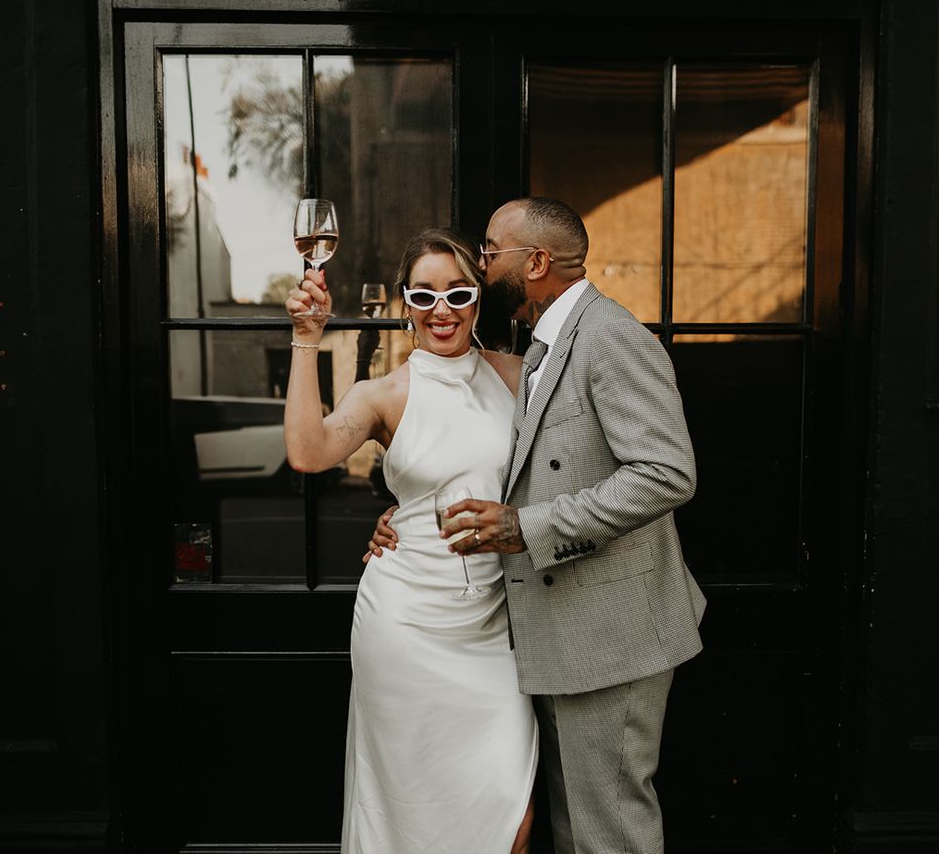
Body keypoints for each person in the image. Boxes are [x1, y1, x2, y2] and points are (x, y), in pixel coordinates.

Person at [371, 198, 705, 854]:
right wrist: (403, 514)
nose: (484, 260)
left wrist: (530, 526)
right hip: (558, 639)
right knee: (578, 828)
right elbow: (517, 467)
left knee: (609, 831)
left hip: (614, 637)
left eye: (492, 251)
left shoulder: (609, 336)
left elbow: (667, 474)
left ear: (537, 261)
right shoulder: (542, 344)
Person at [284, 228, 537, 854]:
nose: (441, 310)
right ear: (405, 305)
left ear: (479, 297)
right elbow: (308, 453)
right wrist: (306, 341)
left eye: (457, 292)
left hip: (495, 627)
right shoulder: (383, 394)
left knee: (510, 812)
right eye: (423, 296)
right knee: (406, 812)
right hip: (405, 625)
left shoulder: (519, 377)